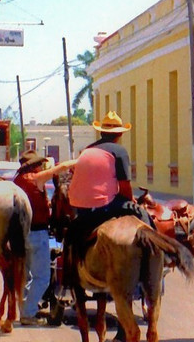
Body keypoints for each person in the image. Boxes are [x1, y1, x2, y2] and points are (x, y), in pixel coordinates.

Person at [66, 110, 150, 273]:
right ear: (119, 134)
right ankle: (153, 254)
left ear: (102, 132)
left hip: (80, 208)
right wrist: (131, 203)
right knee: (143, 217)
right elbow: (124, 186)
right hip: (104, 205)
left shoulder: (87, 150)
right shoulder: (119, 151)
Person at [14, 150, 75, 325]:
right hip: (37, 233)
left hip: (20, 234)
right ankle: (28, 313)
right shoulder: (35, 178)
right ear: (34, 166)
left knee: (24, 276)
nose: (41, 167)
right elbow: (61, 168)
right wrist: (79, 160)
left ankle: (24, 309)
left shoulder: (17, 181)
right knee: (42, 277)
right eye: (39, 164)